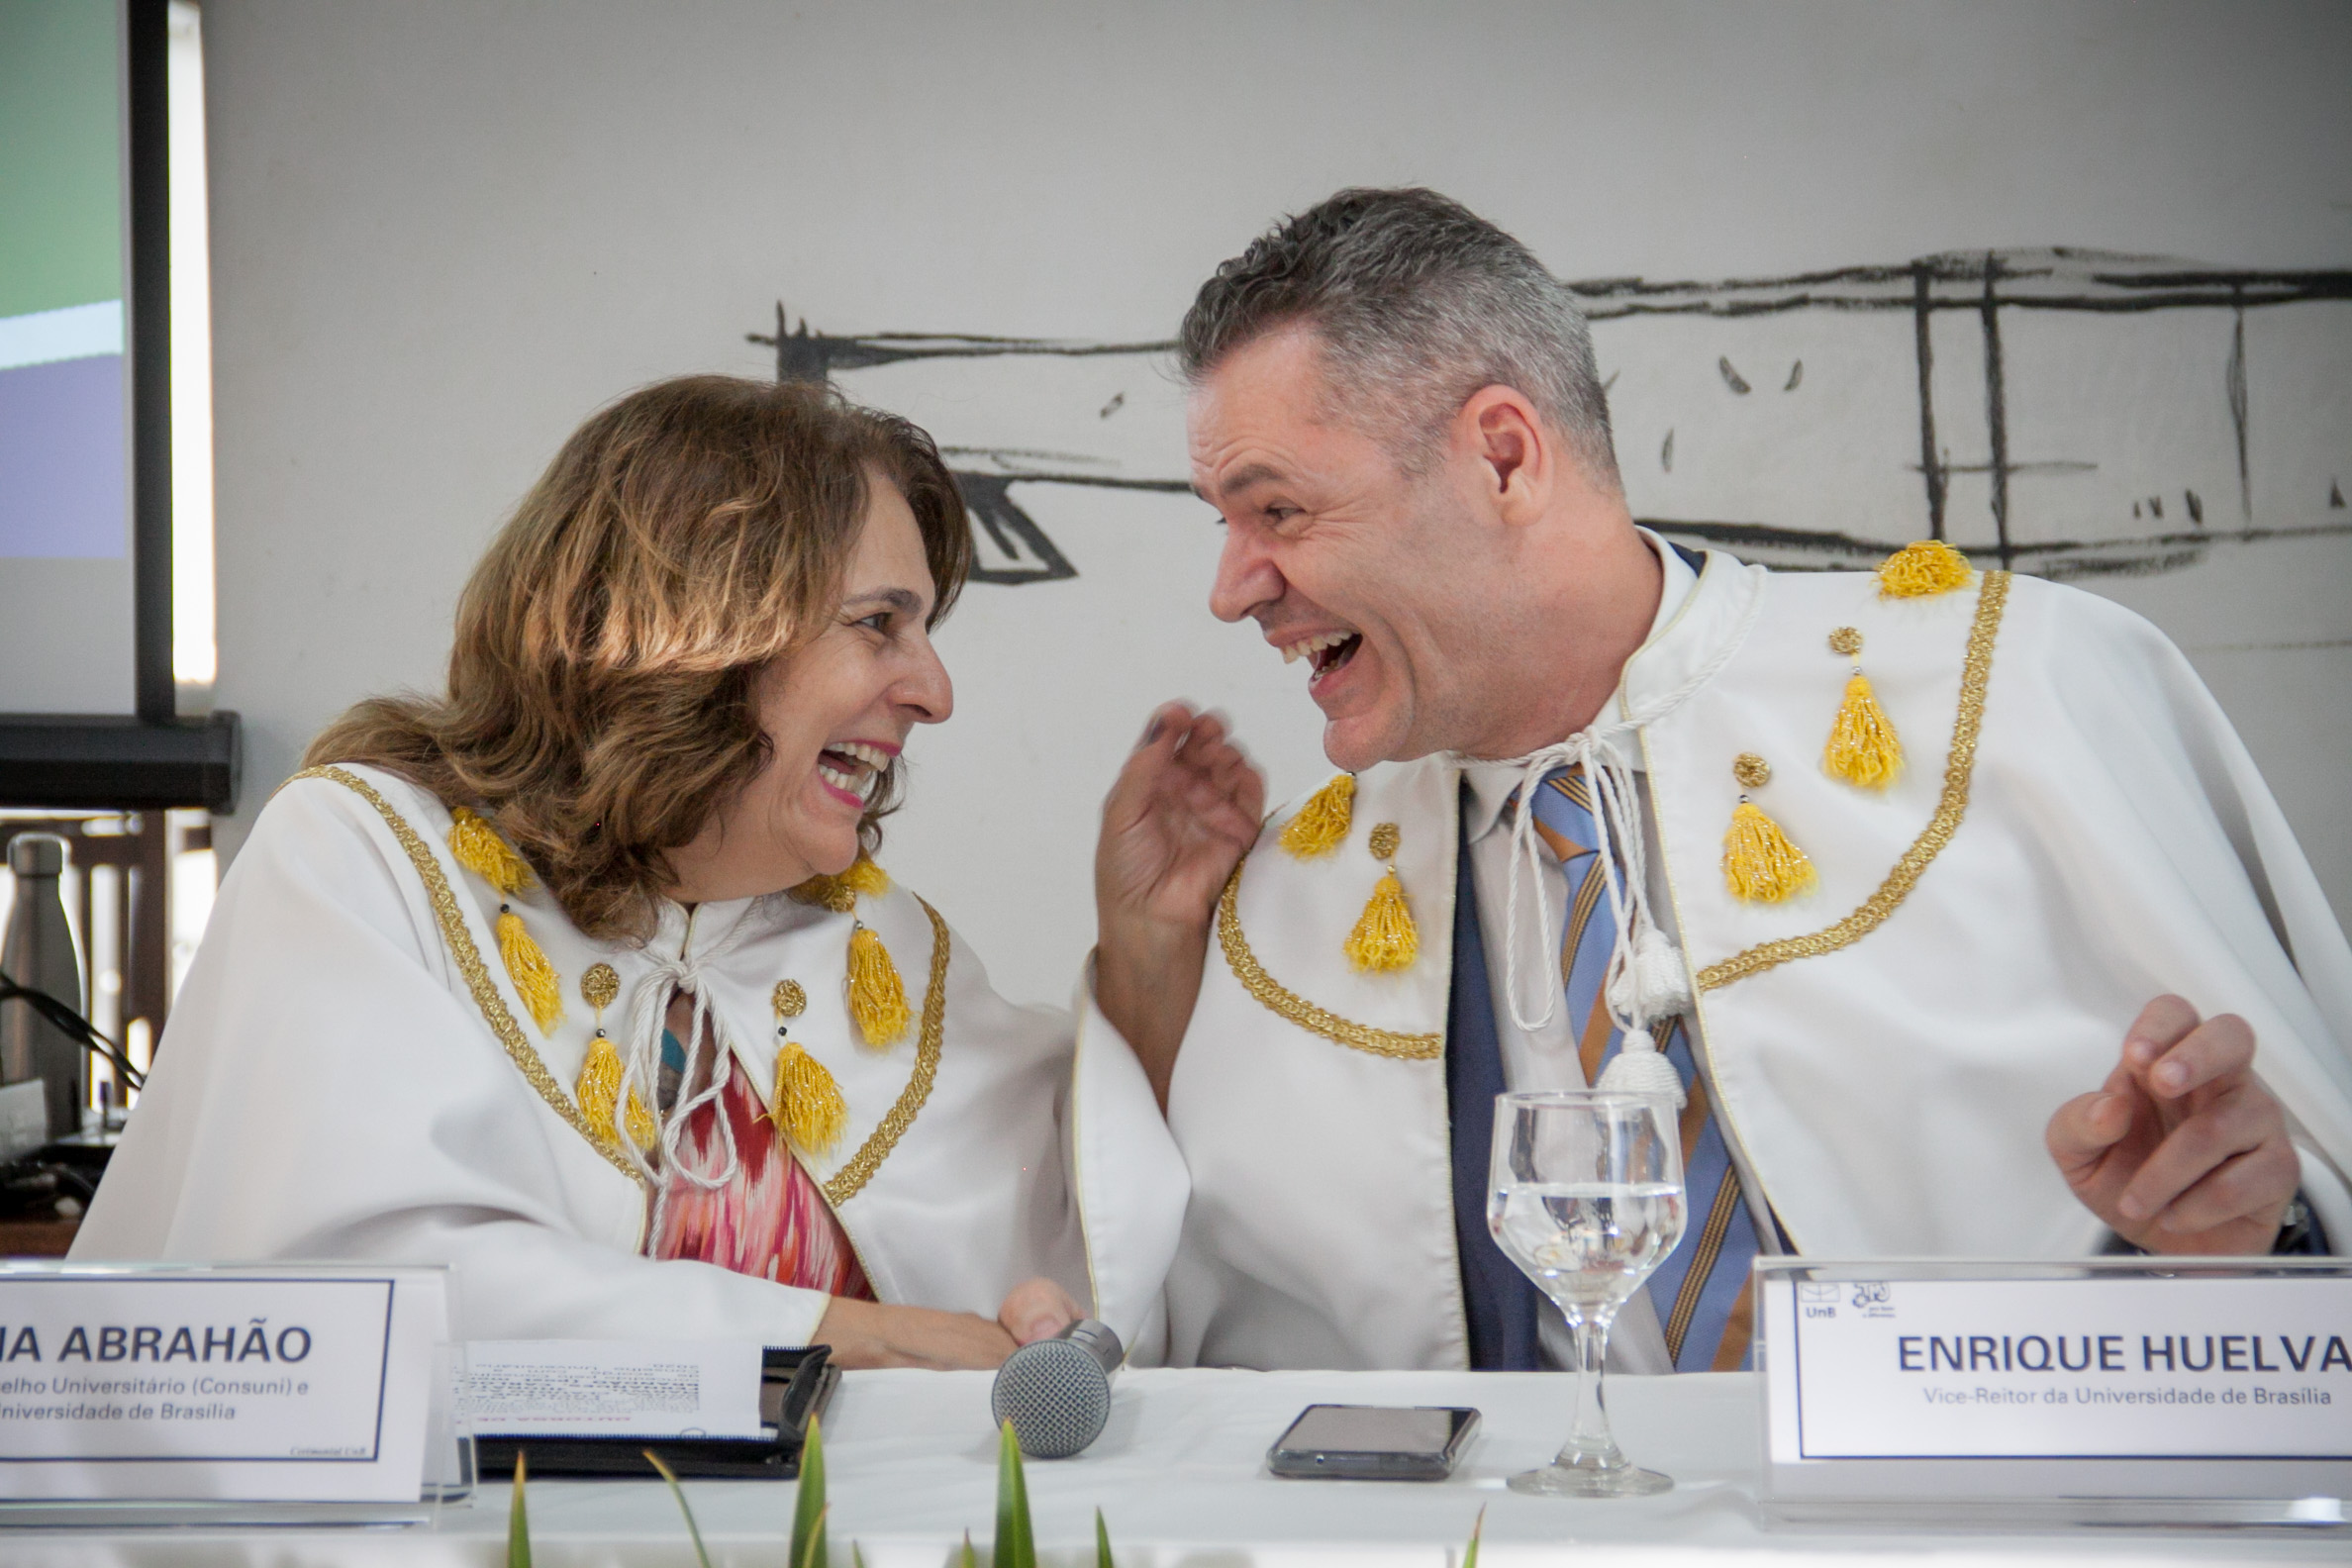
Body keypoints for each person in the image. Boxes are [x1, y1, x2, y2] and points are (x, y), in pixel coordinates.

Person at [1090, 188, 2352, 1374]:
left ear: (1505, 459)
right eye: (1223, 523)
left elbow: (2297, 1197)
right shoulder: (1289, 903)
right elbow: (1179, 1354)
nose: (1233, 589)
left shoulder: (2016, 690)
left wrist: (2242, 1239)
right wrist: (1150, 970)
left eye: (1279, 512)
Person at [74, 375, 1176, 1366]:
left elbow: (1100, 1257)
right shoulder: (365, 860)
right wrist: (848, 1339)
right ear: (701, 632)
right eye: (879, 623)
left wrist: (1147, 960)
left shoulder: (885, 954)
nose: (935, 692)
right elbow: (363, 1298)